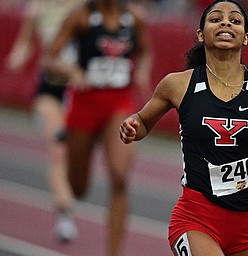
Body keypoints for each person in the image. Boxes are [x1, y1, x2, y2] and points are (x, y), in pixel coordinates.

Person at [119, 0, 248, 255]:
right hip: (196, 219)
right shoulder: (177, 85)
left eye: (235, 20)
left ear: (245, 37)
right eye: (215, 19)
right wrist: (133, 125)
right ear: (201, 34)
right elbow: (143, 122)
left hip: (247, 224)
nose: (225, 23)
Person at [43, 0, 151, 255]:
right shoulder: (81, 16)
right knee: (78, 188)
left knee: (120, 177)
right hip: (85, 103)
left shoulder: (133, 18)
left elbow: (145, 50)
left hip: (119, 104)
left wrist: (142, 72)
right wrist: (72, 71)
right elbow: (49, 58)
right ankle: (70, 140)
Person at [6, 0, 83, 242]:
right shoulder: (38, 8)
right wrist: (16, 58)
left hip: (79, 90)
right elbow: (25, 43)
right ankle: (64, 214)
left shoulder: (83, 8)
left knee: (75, 155)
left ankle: (68, 199)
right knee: (57, 150)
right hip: (49, 89)